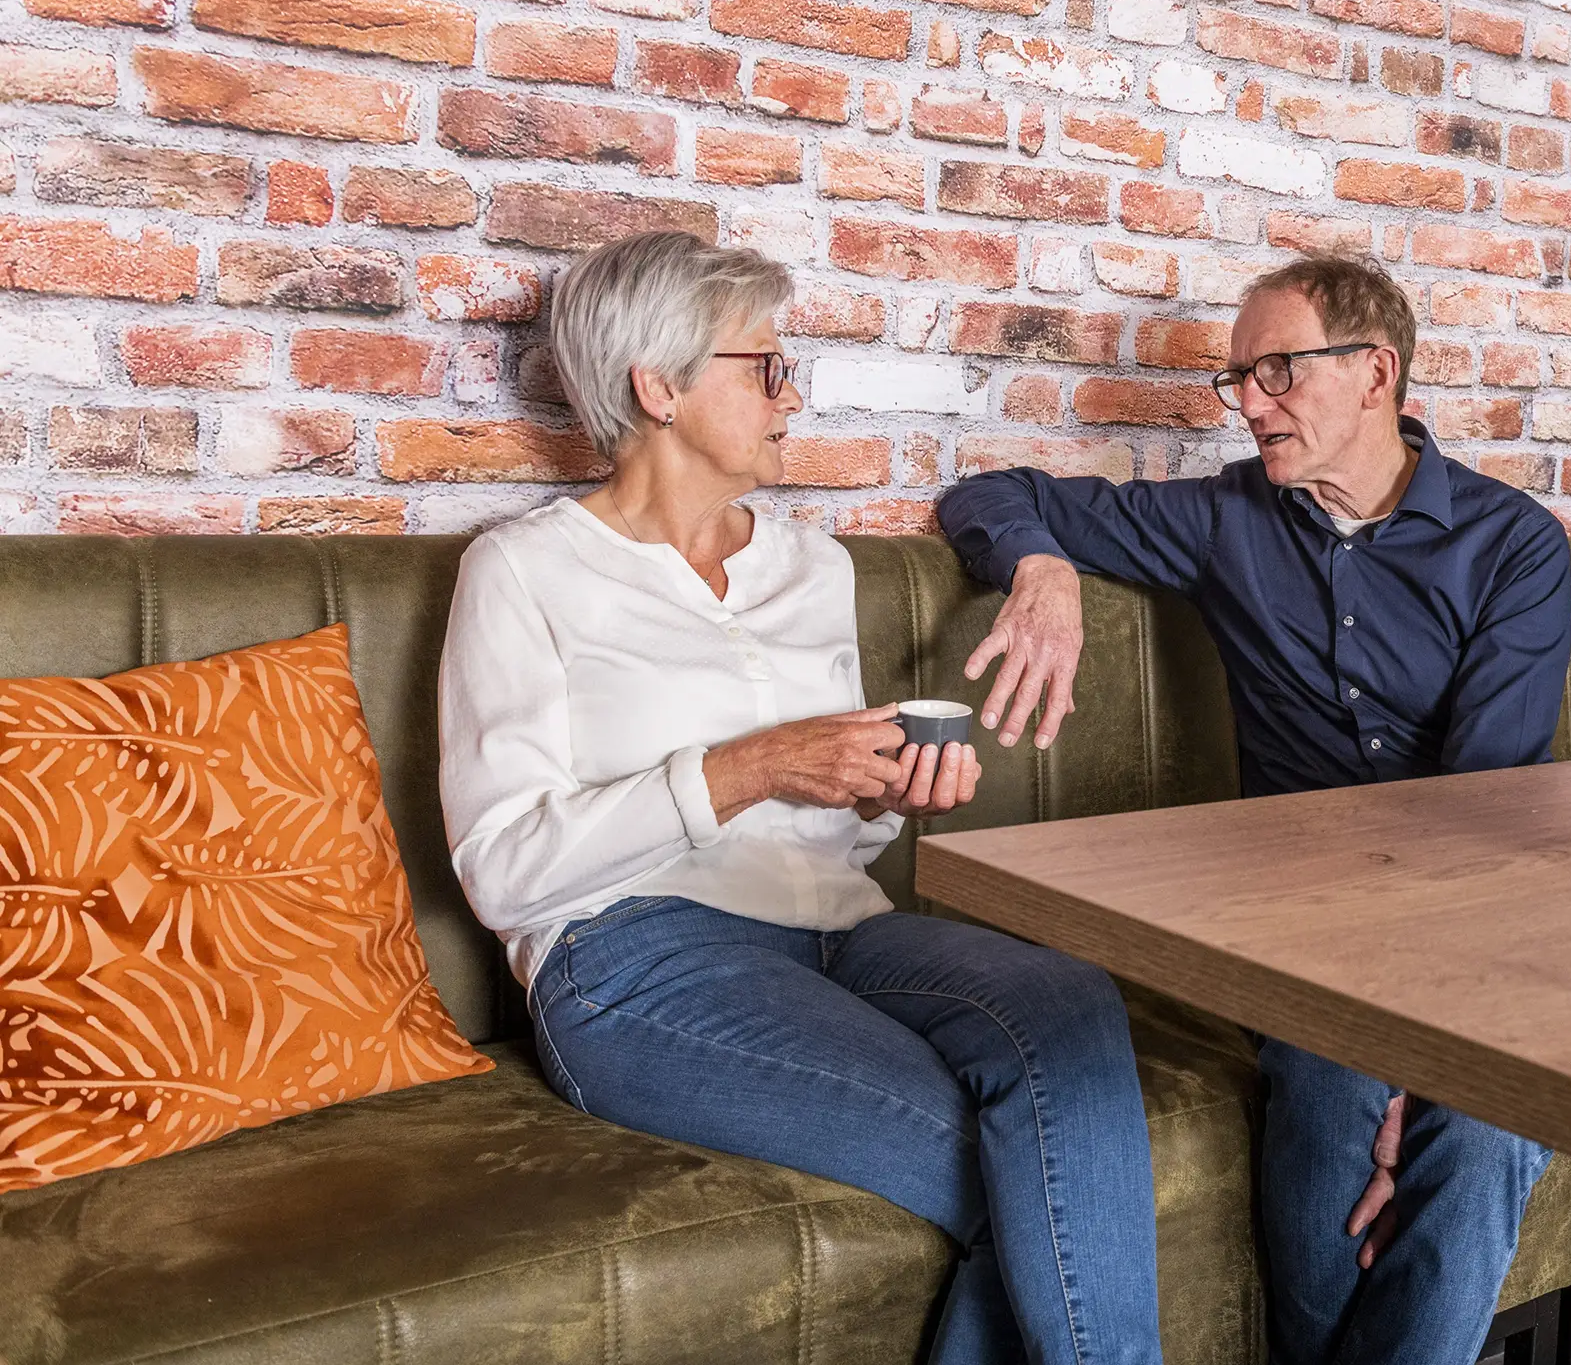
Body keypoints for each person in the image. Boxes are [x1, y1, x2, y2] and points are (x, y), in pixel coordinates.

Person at [438, 232, 1166, 1365]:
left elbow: (828, 827)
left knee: (1069, 1008)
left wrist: (888, 795)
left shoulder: (811, 566)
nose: (792, 397)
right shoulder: (523, 572)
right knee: (1017, 1174)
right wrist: (754, 766)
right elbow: (503, 869)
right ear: (659, 387)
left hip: (840, 931)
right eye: (764, 368)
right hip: (635, 960)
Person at [937, 252, 1571, 1365]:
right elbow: (991, 495)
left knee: (1486, 1125)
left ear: (1376, 374)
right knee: (1328, 1083)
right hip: (1296, 932)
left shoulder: (1511, 545)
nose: (1250, 404)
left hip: (1479, 923)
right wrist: (1042, 569)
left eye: (1277, 370)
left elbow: (1490, 826)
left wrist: (1426, 1065)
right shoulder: (1225, 518)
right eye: (1239, 381)